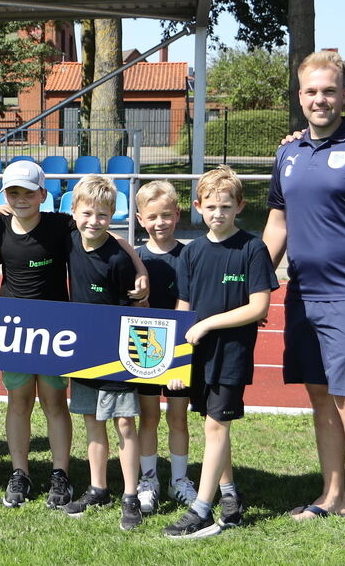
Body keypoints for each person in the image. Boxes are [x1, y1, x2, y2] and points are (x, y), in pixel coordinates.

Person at [261, 50, 345, 555]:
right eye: (311, 91)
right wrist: (254, 282)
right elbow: (277, 224)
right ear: (300, 98)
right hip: (303, 294)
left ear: (344, 95)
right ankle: (334, 494)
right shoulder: (289, 153)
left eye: (329, 91)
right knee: (321, 400)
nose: (320, 99)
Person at [0, 160, 151, 510]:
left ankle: (60, 474)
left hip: (57, 330)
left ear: (43, 195)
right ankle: (20, 473)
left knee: (53, 403)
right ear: (4, 195)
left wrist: (139, 267)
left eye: (28, 192)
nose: (20, 199)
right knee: (18, 403)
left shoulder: (60, 225)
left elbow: (111, 236)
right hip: (14, 331)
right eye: (13, 193)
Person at [161, 166, 277, 538]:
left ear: (240, 206)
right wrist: (177, 359)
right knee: (213, 424)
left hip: (231, 354)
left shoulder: (252, 248)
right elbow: (183, 308)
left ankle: (202, 509)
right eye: (210, 206)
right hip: (197, 356)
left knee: (216, 425)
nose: (218, 213)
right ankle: (228, 493)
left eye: (226, 206)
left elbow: (258, 307)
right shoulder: (192, 252)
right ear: (197, 206)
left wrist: (209, 324)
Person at [60, 175, 143, 531]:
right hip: (82, 350)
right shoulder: (67, 242)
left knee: (125, 423)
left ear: (112, 216)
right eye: (87, 213)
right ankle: (98, 487)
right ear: (74, 212)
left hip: (116, 352)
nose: (93, 221)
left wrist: (137, 263)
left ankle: (131, 495)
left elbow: (132, 306)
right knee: (92, 422)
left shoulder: (117, 258)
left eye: (102, 215)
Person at [131, 180, 196, 514]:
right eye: (152, 216)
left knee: (178, 417)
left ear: (178, 215)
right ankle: (149, 478)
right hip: (143, 351)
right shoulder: (135, 258)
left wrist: (179, 356)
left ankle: (180, 479)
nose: (160, 223)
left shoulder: (190, 255)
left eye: (166, 215)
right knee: (148, 417)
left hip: (181, 352)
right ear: (140, 218)